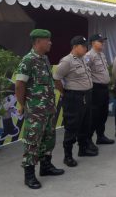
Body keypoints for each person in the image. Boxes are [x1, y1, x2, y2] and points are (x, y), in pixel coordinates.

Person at [15, 29, 64, 190]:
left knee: (48, 139)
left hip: (48, 109)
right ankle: (29, 175)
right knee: (32, 141)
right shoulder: (28, 60)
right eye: (47, 40)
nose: (50, 42)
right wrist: (23, 105)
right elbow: (20, 85)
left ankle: (46, 167)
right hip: (35, 110)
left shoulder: (44, 59)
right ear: (37, 42)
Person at [54, 36, 97, 168]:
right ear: (75, 47)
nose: (86, 48)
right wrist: (64, 92)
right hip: (74, 97)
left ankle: (83, 149)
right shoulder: (67, 61)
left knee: (85, 124)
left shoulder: (83, 59)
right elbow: (56, 78)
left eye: (86, 46)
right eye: (83, 46)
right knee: (72, 126)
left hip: (86, 96)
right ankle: (68, 156)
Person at [85, 34, 115, 147]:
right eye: (100, 41)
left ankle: (100, 136)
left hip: (104, 88)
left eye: (103, 41)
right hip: (96, 89)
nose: (103, 43)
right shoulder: (89, 56)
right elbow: (86, 72)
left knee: (103, 113)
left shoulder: (101, 54)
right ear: (93, 43)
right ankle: (88, 140)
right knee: (95, 115)